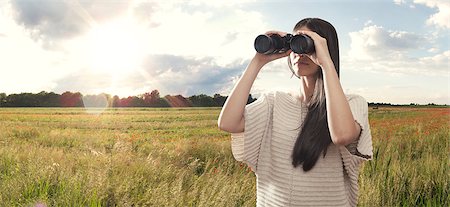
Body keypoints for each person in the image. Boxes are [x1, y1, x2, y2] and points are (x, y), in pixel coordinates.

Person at [217, 18, 373, 207]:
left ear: (326, 50)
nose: (301, 53)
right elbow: (227, 123)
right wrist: (258, 61)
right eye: (295, 44)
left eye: (308, 45)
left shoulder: (352, 103)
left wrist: (327, 64)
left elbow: (342, 135)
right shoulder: (274, 101)